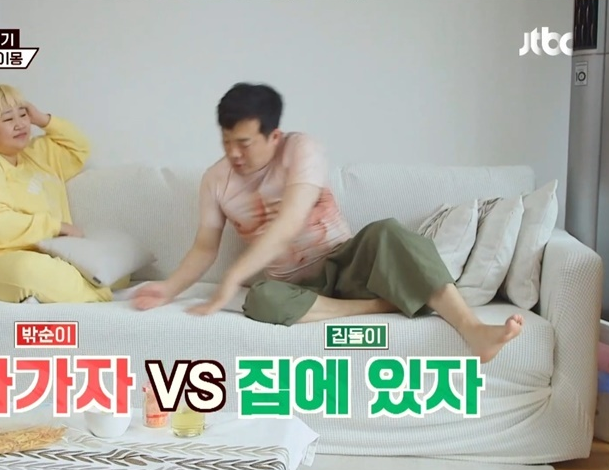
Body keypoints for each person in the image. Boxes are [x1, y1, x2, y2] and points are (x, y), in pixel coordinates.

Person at [132, 82, 523, 364]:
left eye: (244, 143)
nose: (234, 154)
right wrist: (168, 288)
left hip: (347, 264)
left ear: (274, 136)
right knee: (261, 299)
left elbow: (289, 222)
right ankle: (382, 305)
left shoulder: (301, 149)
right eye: (226, 141)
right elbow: (205, 247)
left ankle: (473, 330)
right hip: (295, 289)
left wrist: (232, 277)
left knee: (387, 231)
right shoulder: (215, 181)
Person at [0, 83, 115, 304]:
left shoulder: (35, 155)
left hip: (51, 253)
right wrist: (56, 227)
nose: (20, 124)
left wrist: (43, 120)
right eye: (8, 119)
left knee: (108, 257)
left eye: (23, 114)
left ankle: (86, 293)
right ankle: (104, 297)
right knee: (30, 269)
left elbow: (79, 148)